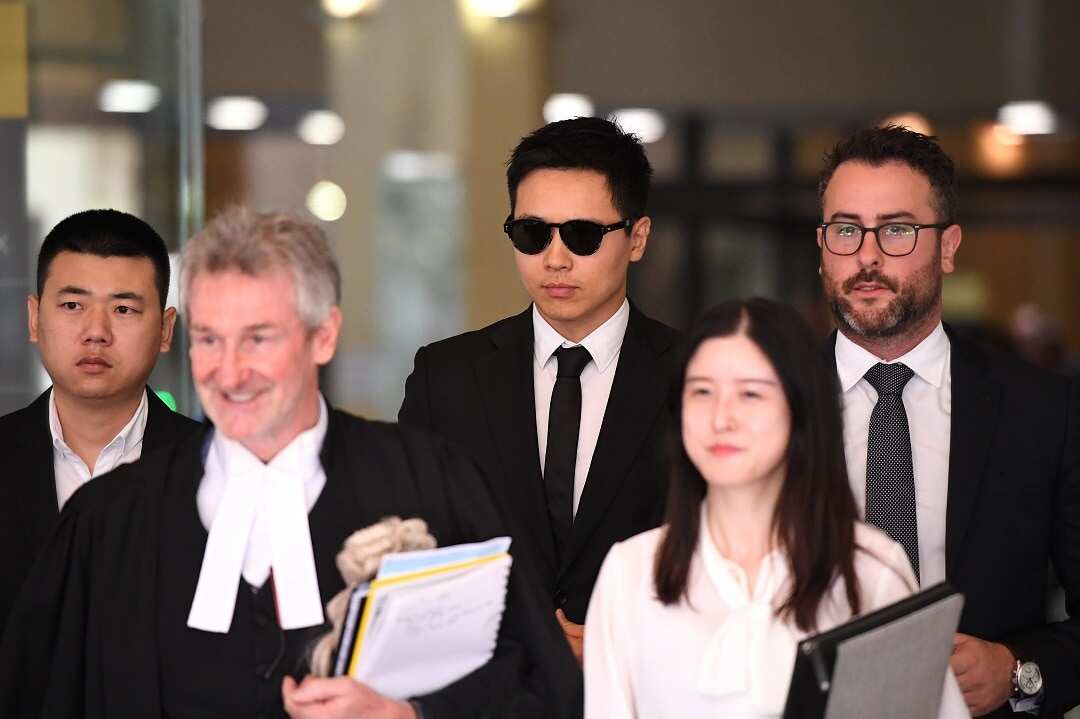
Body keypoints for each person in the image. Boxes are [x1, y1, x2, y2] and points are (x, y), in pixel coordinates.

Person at [0, 207, 578, 719]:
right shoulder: (112, 517)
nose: (229, 373)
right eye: (209, 339)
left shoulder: (429, 481)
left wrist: (414, 716)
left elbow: (541, 683)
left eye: (258, 339)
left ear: (322, 336)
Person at [583, 298, 968, 718]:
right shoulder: (631, 573)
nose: (721, 418)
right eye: (702, 392)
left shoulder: (870, 569)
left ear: (800, 409)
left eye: (750, 394)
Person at [817, 125, 1080, 718]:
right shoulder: (766, 405)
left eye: (898, 230)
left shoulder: (1042, 410)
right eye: (846, 229)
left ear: (949, 246)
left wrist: (1018, 671)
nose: (867, 255)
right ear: (822, 243)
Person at [399, 117, 679, 662]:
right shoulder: (447, 376)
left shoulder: (695, 376)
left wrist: (618, 641)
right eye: (532, 233)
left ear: (637, 237)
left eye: (582, 234)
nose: (555, 258)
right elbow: (412, 546)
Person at [0, 208, 198, 634]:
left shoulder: (214, 469)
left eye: (124, 309)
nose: (96, 332)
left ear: (165, 330)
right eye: (72, 305)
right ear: (34, 318)